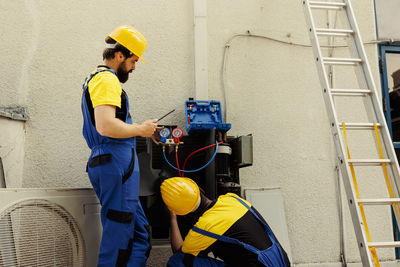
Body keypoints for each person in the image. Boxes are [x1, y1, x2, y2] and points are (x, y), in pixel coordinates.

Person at [81, 25, 160, 266]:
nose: (134, 67)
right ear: (119, 55)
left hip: (116, 164)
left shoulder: (101, 80)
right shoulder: (107, 80)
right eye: (134, 60)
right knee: (119, 241)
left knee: (140, 237)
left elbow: (111, 124)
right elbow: (105, 126)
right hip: (115, 164)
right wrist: (140, 129)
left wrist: (144, 132)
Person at [161, 177, 291, 267]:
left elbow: (179, 253)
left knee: (178, 262)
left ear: (185, 215)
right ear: (200, 190)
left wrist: (172, 219)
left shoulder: (203, 227)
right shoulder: (232, 199)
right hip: (282, 262)